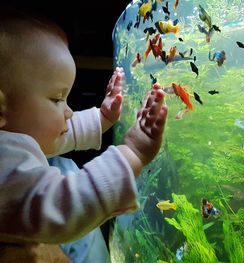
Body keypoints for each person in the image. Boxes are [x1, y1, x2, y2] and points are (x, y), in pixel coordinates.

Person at [0, 7, 168, 263]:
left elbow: (57, 136)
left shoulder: (12, 132)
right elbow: (60, 205)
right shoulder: (5, 160)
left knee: (64, 164)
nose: (68, 111)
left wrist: (101, 118)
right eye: (57, 99)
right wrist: (131, 154)